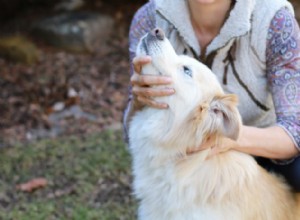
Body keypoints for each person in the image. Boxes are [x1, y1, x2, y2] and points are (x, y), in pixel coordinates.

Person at [123, 0, 300, 191]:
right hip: (189, 153)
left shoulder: (274, 20)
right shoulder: (151, 17)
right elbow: (130, 133)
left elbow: (295, 132)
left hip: (268, 150)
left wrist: (227, 138)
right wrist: (139, 102)